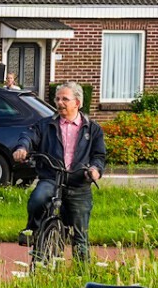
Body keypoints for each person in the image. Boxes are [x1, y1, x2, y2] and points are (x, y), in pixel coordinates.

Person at [12, 80, 106, 261]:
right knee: (38, 198)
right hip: (52, 178)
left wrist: (95, 170)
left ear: (77, 103)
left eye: (65, 99)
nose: (60, 103)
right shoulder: (45, 125)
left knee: (80, 234)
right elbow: (29, 136)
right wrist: (22, 148)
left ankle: (82, 273)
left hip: (79, 182)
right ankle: (33, 231)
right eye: (57, 99)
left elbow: (99, 156)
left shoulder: (93, 129)